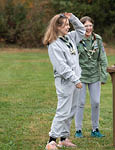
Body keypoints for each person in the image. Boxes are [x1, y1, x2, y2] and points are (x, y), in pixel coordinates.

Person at [43, 13, 85, 150]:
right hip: (65, 82)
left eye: (68, 24)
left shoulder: (70, 37)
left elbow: (81, 30)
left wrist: (73, 18)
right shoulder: (54, 45)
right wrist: (75, 79)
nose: (68, 27)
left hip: (75, 80)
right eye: (65, 25)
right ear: (57, 27)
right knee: (63, 111)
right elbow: (62, 67)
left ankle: (64, 138)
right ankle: (51, 141)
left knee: (72, 110)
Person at [74, 16, 108, 138]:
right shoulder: (76, 39)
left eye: (90, 25)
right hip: (81, 76)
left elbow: (103, 58)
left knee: (96, 102)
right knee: (80, 103)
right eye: (85, 26)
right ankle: (78, 130)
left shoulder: (97, 39)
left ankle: (95, 129)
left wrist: (104, 75)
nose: (88, 28)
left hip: (94, 76)